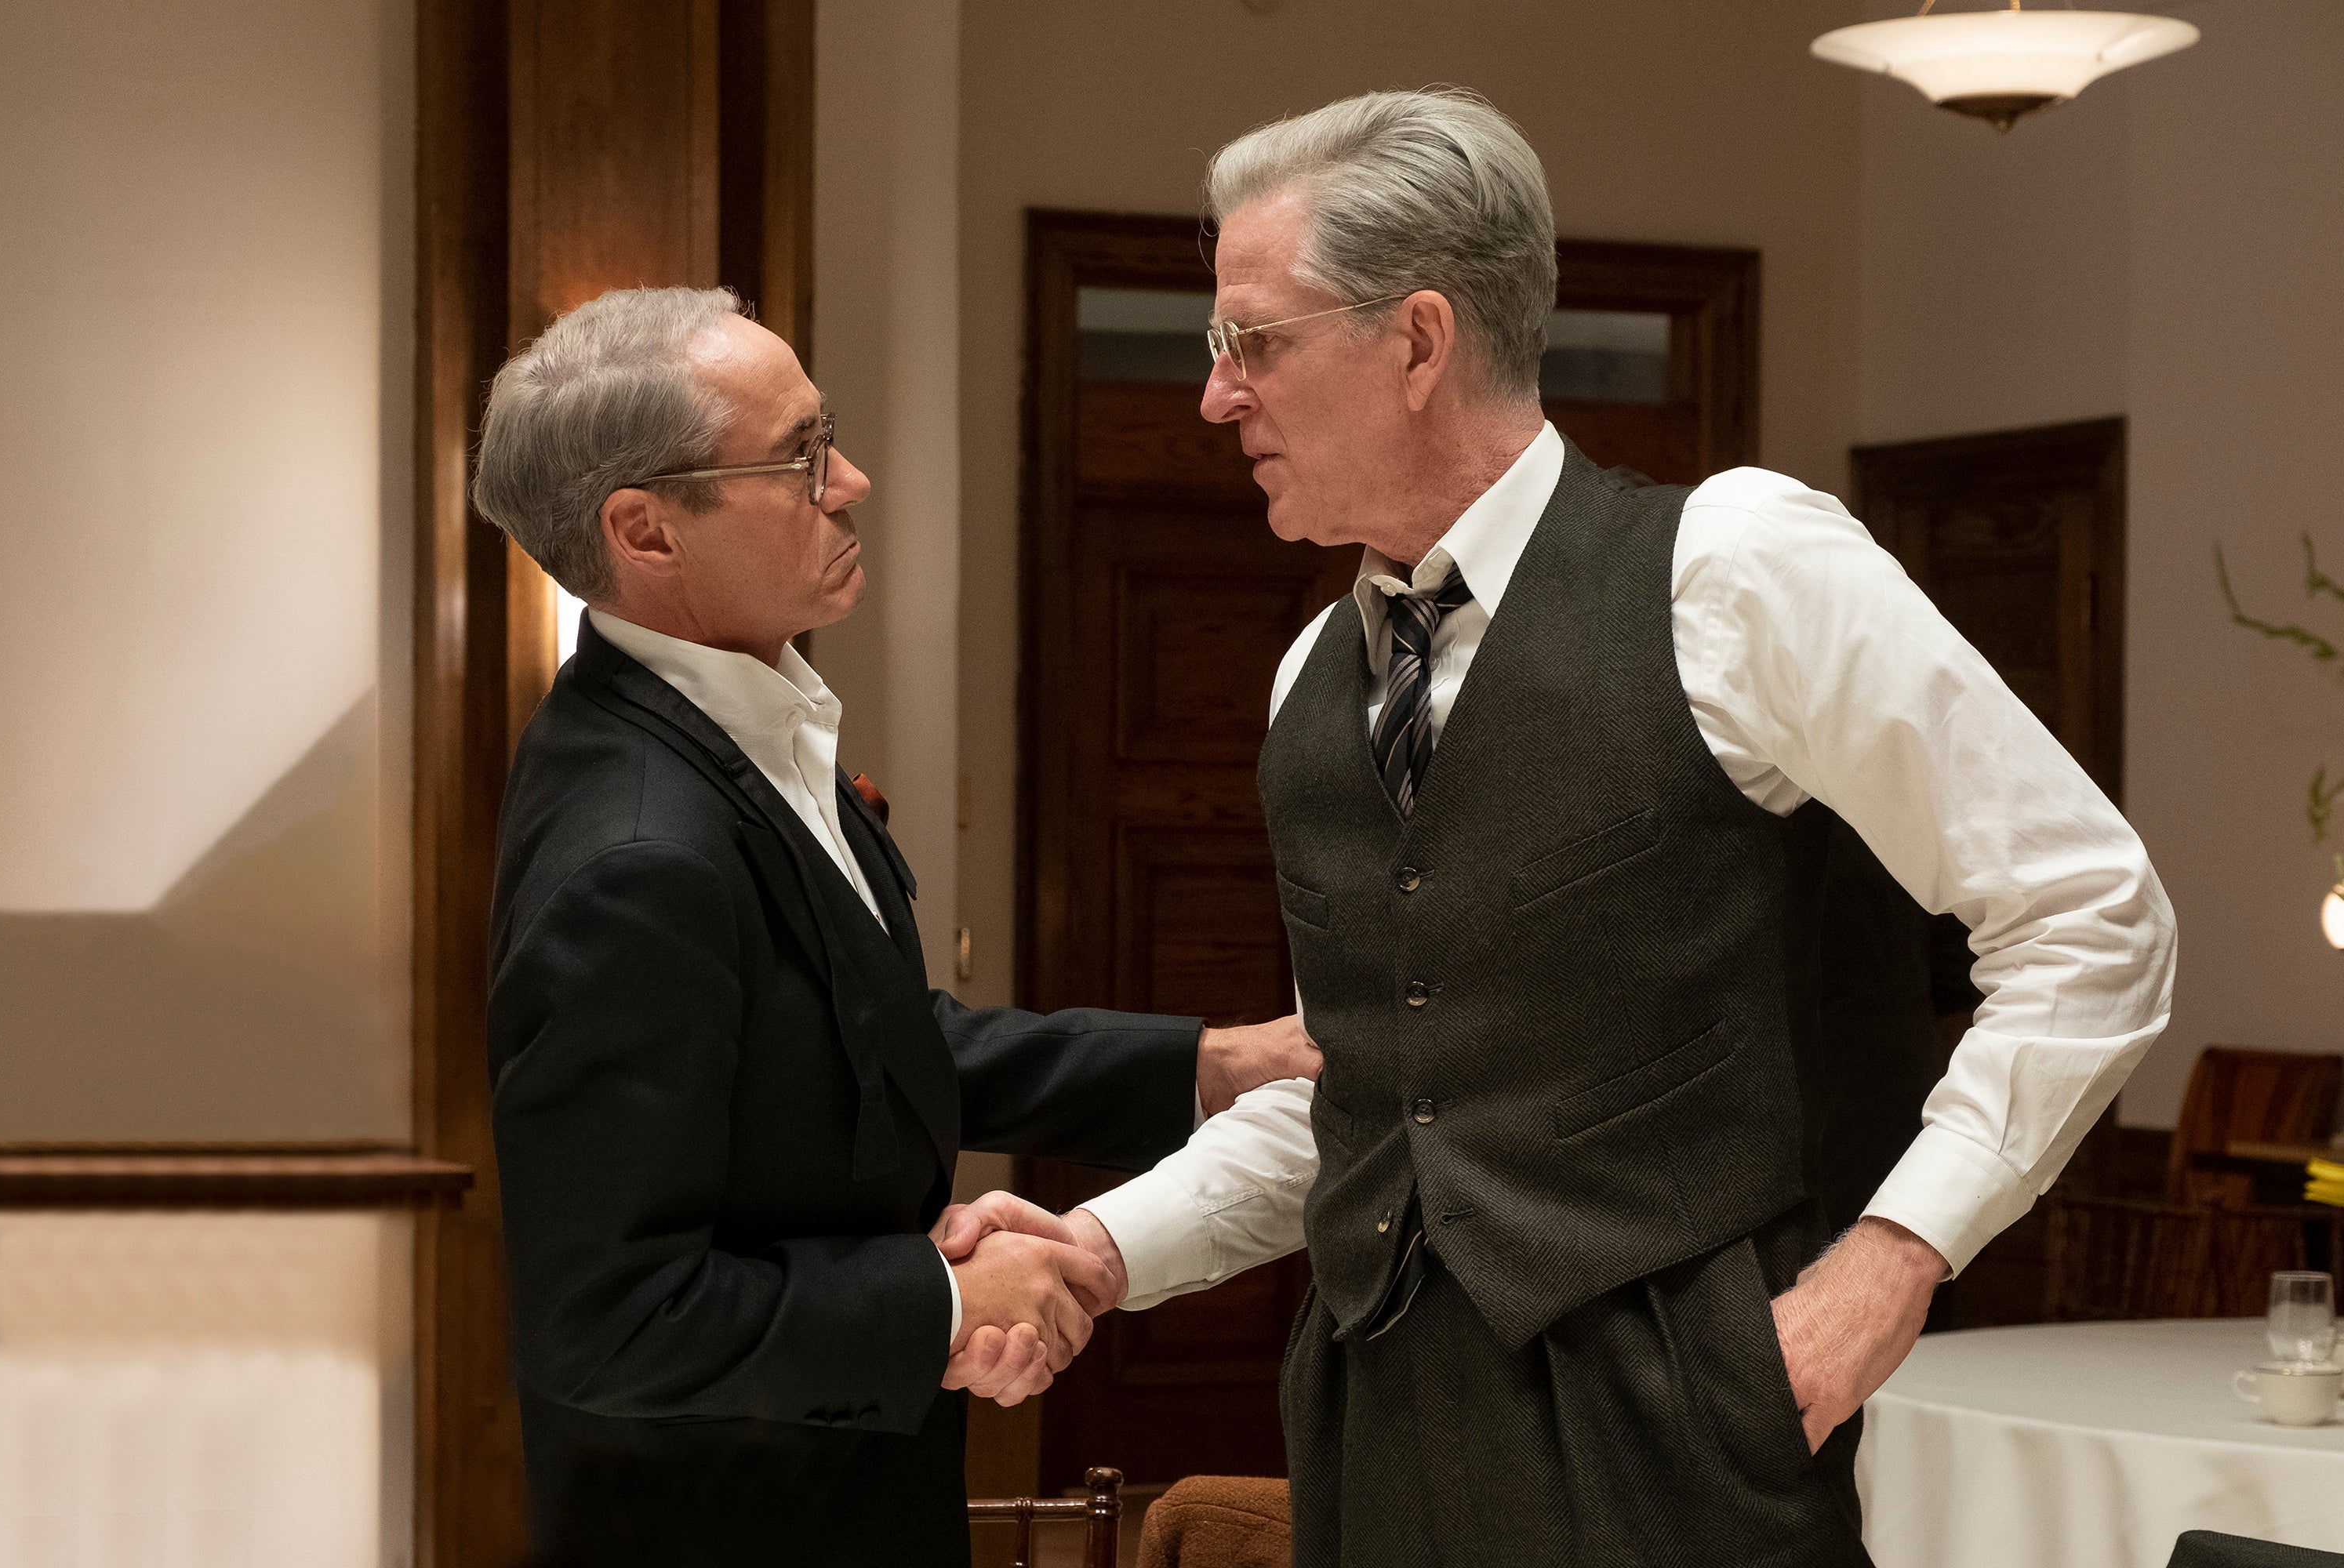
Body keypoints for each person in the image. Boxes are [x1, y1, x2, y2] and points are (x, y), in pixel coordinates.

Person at [1025, 90, 2177, 1566]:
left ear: (1420, 341)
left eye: (1253, 342)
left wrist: (1890, 1265)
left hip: (1677, 1437)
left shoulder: (1739, 570)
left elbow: (2094, 916)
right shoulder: (1308, 678)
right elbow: (1376, 1097)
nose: (1216, 396)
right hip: (1373, 1425)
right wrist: (1106, 1246)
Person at [471, 285, 1318, 1566]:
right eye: (800, 457)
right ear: (644, 530)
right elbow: (612, 1317)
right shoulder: (635, 852)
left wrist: (1215, 1063)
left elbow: (860, 1044)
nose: (852, 479)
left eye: (832, 434)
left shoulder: (743, 726)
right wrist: (946, 1298)